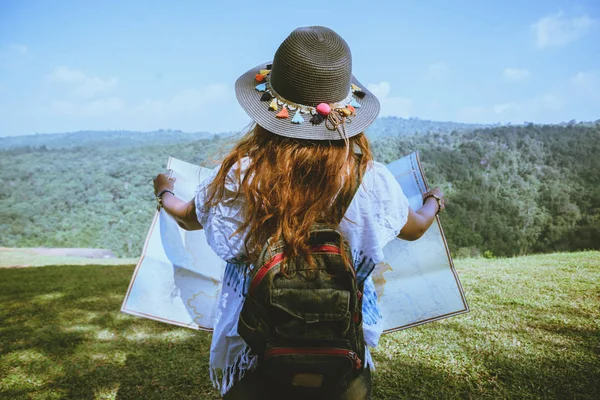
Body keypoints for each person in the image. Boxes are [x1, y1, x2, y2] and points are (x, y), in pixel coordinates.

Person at [153, 26, 445, 399]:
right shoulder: (372, 177)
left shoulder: (241, 173)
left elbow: (186, 216)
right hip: (343, 349)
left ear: (268, 109)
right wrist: (433, 200)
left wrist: (164, 189)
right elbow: (415, 227)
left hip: (253, 345)